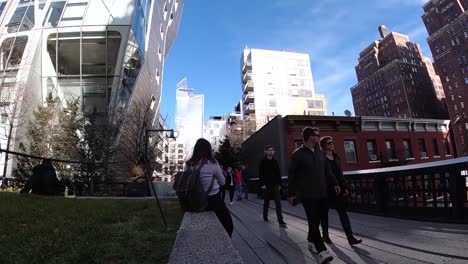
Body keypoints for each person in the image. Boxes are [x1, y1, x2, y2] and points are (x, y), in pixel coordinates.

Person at [287, 127, 340, 264]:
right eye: (318, 135)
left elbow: (327, 170)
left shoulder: (320, 153)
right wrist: (291, 194)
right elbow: (292, 176)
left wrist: (335, 183)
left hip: (322, 193)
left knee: (316, 221)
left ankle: (311, 241)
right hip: (307, 194)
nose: (319, 137)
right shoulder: (297, 155)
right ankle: (322, 251)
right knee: (313, 219)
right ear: (311, 137)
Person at [319, 136, 362, 245]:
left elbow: (340, 173)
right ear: (324, 145)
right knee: (324, 213)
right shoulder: (321, 158)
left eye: (333, 142)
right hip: (326, 188)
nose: (332, 144)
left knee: (343, 212)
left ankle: (350, 238)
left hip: (338, 188)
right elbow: (325, 174)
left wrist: (344, 187)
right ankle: (325, 235)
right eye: (329, 143)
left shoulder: (336, 157)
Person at [186, 138, 234, 237]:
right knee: (228, 224)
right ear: (208, 150)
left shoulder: (190, 164)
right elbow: (222, 182)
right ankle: (224, 245)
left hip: (195, 199)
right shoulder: (212, 163)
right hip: (213, 199)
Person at [259, 145, 286, 227]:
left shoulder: (275, 161)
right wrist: (262, 184)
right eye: (269, 150)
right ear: (266, 152)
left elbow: (278, 173)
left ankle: (280, 221)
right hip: (266, 186)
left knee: (278, 203)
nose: (271, 151)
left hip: (275, 185)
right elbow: (261, 174)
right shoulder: (263, 162)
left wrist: (280, 184)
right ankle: (265, 216)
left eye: (272, 150)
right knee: (266, 202)